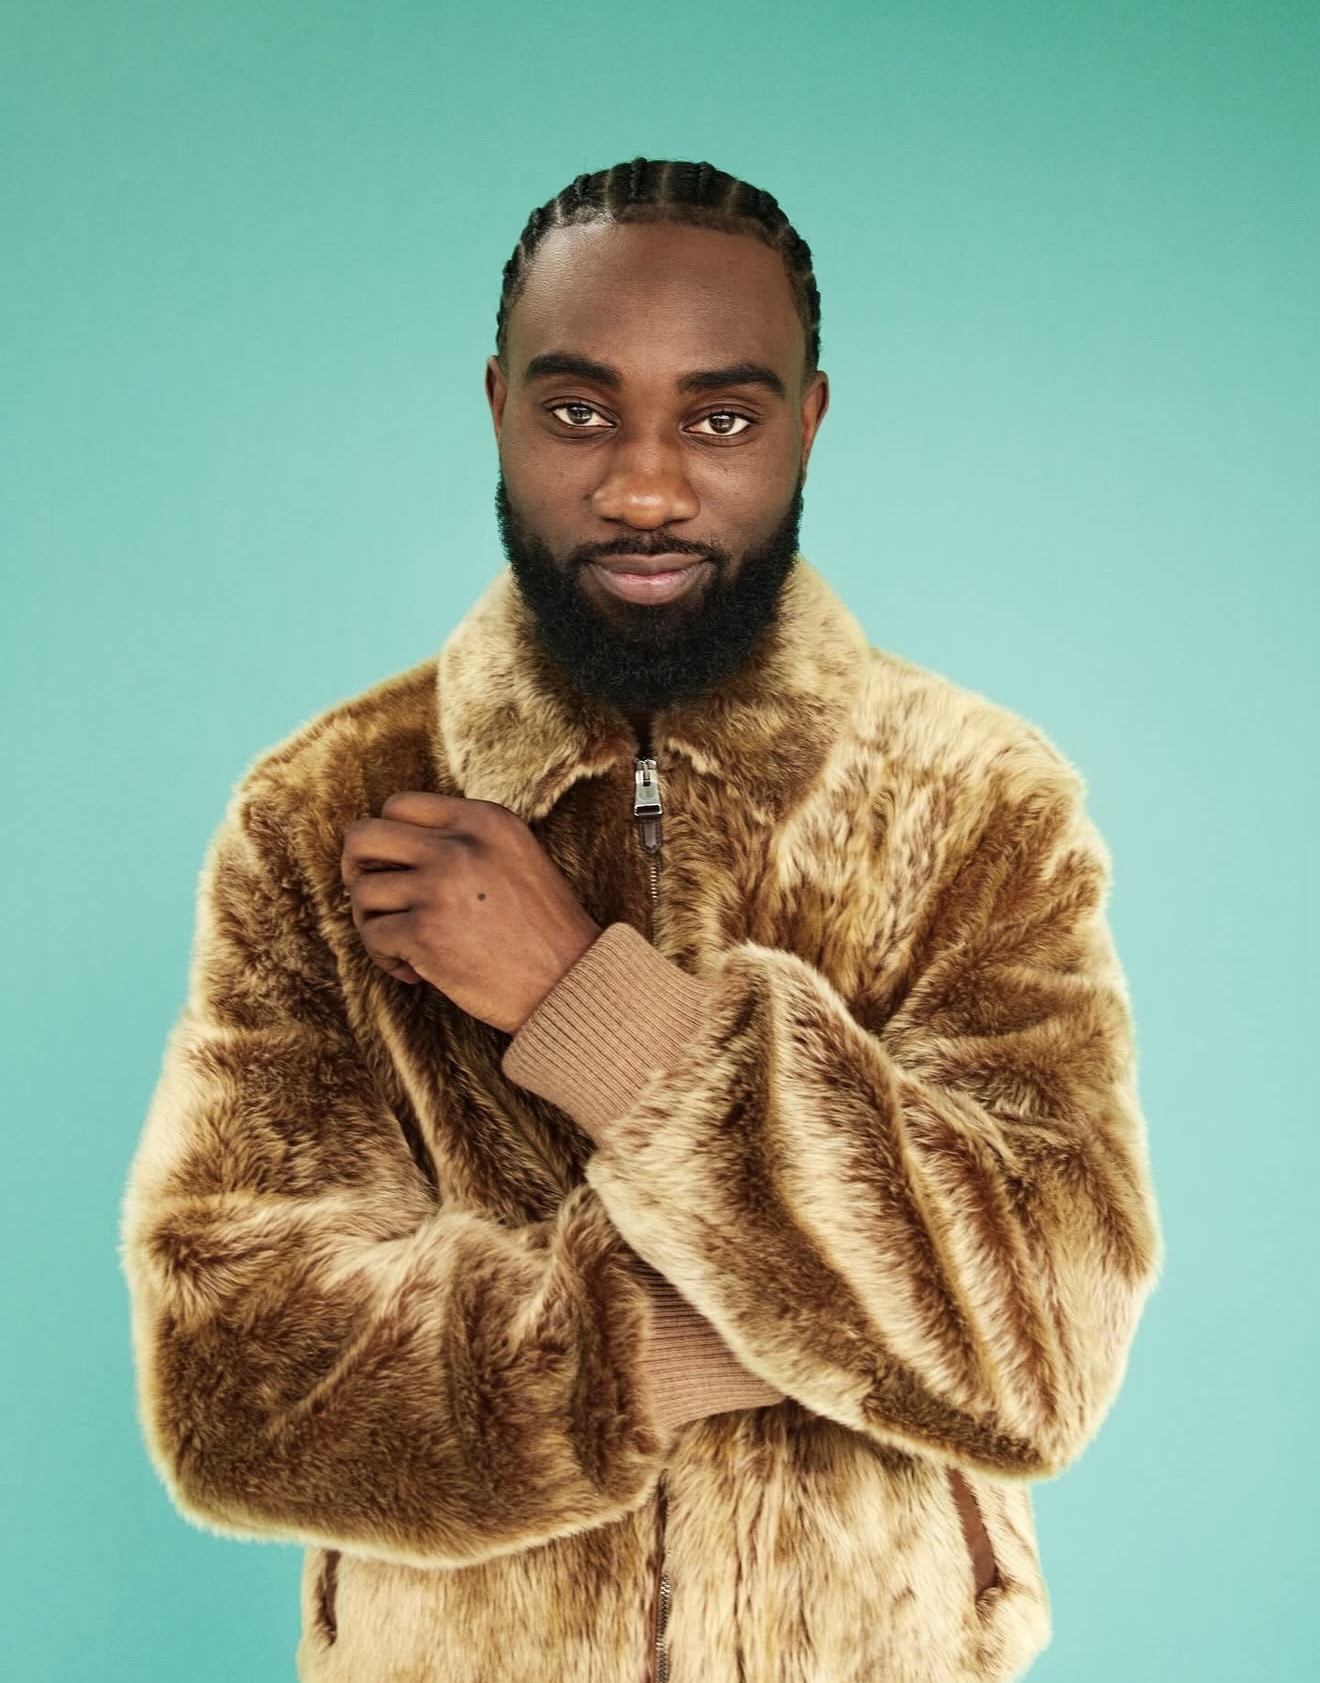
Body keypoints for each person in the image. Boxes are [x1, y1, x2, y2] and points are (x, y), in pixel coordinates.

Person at [122, 158, 1162, 1683]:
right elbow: (236, 1386)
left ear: (809, 423)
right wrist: (716, 1333)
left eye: (722, 420)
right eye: (578, 412)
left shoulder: (982, 803)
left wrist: (585, 1010)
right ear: (498, 408)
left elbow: (1042, 1350)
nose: (647, 490)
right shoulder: (322, 811)